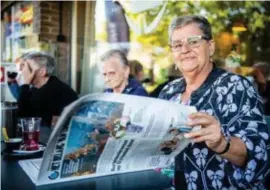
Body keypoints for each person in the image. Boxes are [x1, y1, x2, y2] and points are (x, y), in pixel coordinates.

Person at [158, 15, 269, 189]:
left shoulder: (236, 86)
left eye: (193, 41)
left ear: (210, 47)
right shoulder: (168, 91)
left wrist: (222, 144)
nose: (185, 49)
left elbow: (259, 154)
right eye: (177, 45)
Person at [17, 51, 78, 126]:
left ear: (42, 72)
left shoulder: (54, 89)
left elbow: (25, 117)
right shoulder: (37, 88)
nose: (22, 71)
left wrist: (25, 84)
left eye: (28, 68)